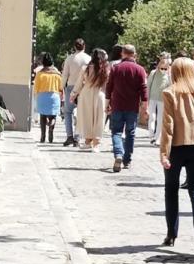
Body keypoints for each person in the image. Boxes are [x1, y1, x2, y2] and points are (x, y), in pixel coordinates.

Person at [159, 57, 194, 256]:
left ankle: (171, 233)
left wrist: (164, 153)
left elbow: (168, 126)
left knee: (171, 189)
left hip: (177, 146)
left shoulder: (169, 93)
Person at [105, 44, 148, 172]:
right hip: (132, 107)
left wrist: (107, 103)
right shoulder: (140, 70)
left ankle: (118, 154)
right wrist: (145, 107)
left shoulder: (116, 68)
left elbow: (109, 87)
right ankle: (127, 160)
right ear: (134, 54)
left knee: (116, 131)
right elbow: (144, 90)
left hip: (117, 105)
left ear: (122, 54)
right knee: (131, 133)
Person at [71, 48, 110, 152]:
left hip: (86, 94)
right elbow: (107, 84)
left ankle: (88, 141)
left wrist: (73, 94)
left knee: (87, 117)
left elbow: (79, 83)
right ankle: (96, 143)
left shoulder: (86, 68)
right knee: (99, 118)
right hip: (100, 94)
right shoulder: (105, 69)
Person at [61, 39, 91, 147]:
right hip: (84, 87)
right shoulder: (88, 59)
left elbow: (64, 75)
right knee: (81, 112)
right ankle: (77, 137)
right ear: (84, 46)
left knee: (68, 112)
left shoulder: (69, 59)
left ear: (74, 47)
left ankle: (69, 136)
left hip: (71, 87)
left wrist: (61, 88)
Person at [34, 52, 63, 144]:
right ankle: (51, 126)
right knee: (53, 116)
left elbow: (36, 88)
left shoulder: (39, 74)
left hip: (42, 97)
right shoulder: (57, 74)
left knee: (42, 116)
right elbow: (61, 87)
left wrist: (36, 97)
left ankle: (43, 136)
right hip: (54, 96)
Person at [147, 54, 172, 146]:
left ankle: (157, 138)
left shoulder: (169, 75)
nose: (163, 70)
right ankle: (151, 134)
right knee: (152, 117)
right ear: (159, 65)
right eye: (162, 68)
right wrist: (146, 99)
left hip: (162, 99)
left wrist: (169, 75)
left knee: (160, 119)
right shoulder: (153, 73)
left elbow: (171, 86)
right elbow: (148, 86)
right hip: (152, 98)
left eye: (165, 69)